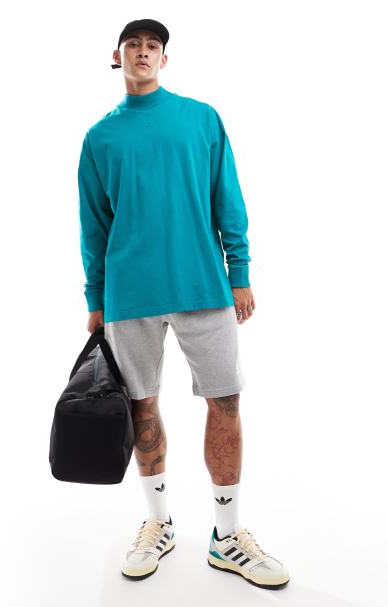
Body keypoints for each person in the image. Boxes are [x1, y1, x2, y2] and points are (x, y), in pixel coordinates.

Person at [77, 18, 290, 589]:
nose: (143, 52)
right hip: (130, 295)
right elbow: (93, 226)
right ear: (118, 56)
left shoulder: (202, 119)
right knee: (141, 407)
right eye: (133, 45)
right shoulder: (99, 138)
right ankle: (159, 523)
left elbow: (228, 197)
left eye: (153, 46)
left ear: (164, 59)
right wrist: (96, 297)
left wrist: (239, 272)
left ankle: (227, 535)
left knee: (226, 400)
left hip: (203, 285)